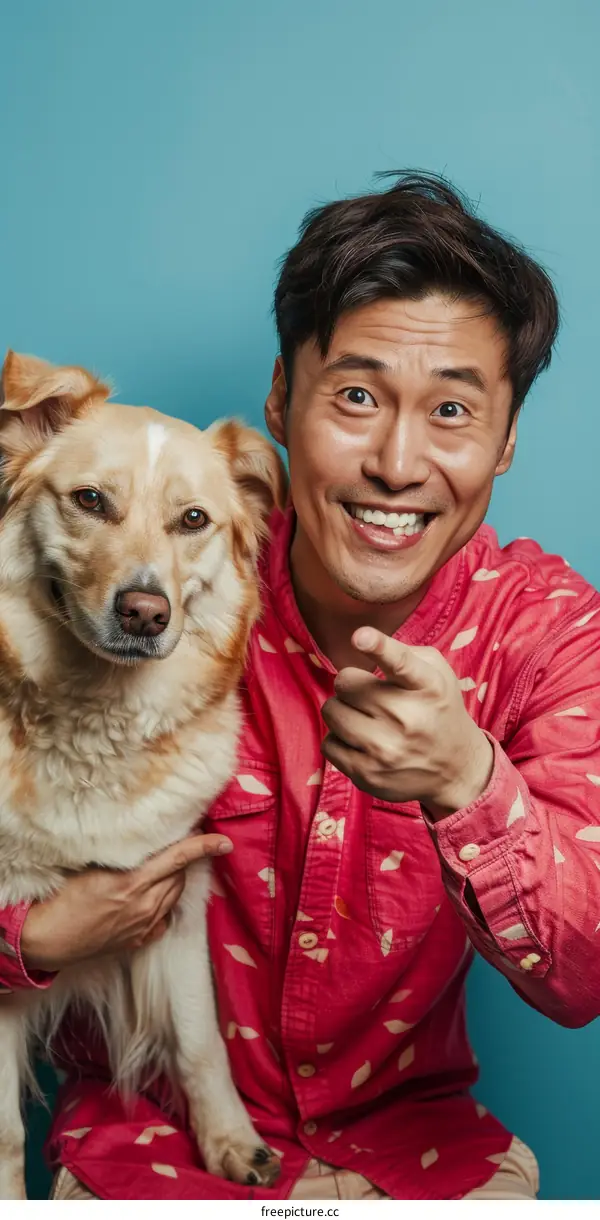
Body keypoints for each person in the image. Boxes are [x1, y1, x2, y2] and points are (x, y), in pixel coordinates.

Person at [2, 173, 599, 1201]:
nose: (397, 461)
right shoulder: (175, 580)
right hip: (145, 1152)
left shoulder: (550, 633)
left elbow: (584, 974)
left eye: (451, 410)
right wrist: (32, 940)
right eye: (358, 396)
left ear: (506, 441)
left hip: (423, 1155)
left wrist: (471, 780)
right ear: (282, 396)